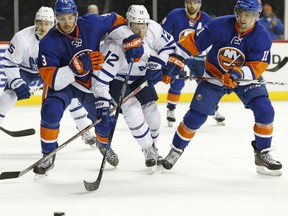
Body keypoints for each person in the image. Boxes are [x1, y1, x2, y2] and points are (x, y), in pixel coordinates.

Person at [162, 0, 282, 176]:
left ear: (257, 16)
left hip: (244, 80)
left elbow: (258, 64)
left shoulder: (262, 36)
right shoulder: (220, 25)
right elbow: (194, 42)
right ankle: (175, 150)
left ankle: (262, 154)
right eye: (240, 12)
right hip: (214, 77)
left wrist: (238, 74)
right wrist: (177, 59)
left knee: (265, 110)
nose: (242, 18)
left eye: (248, 14)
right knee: (195, 117)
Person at [34, 0, 144, 176]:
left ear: (77, 16)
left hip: (90, 83)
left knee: (104, 120)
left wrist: (129, 39)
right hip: (65, 84)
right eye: (62, 18)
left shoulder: (91, 23)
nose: (67, 22)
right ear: (56, 19)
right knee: (50, 111)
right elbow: (52, 80)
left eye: (70, 17)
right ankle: (47, 155)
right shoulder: (48, 42)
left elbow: (116, 19)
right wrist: (73, 68)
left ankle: (103, 144)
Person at [93, 5, 183, 169]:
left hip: (142, 78)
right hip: (119, 80)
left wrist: (160, 64)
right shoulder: (114, 45)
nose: (142, 31)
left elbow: (169, 47)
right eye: (136, 26)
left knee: (153, 115)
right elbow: (101, 81)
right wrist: (103, 102)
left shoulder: (154, 28)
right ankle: (148, 148)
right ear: (128, 24)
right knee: (132, 111)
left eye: (144, 25)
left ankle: (153, 149)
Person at [0, 6, 97, 147]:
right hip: (27, 71)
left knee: (71, 98)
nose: (42, 26)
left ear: (53, 23)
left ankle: (84, 129)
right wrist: (17, 82)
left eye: (46, 23)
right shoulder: (22, 38)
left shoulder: (62, 38)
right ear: (35, 22)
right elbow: (9, 62)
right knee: (9, 94)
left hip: (52, 71)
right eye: (39, 22)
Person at [161, 0, 225, 127]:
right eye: (190, 2)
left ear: (200, 4)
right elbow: (161, 33)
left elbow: (212, 38)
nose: (192, 6)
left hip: (197, 56)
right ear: (185, 3)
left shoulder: (206, 19)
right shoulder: (174, 15)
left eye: (195, 3)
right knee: (177, 81)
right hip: (179, 54)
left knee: (206, 83)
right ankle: (171, 109)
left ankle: (214, 109)